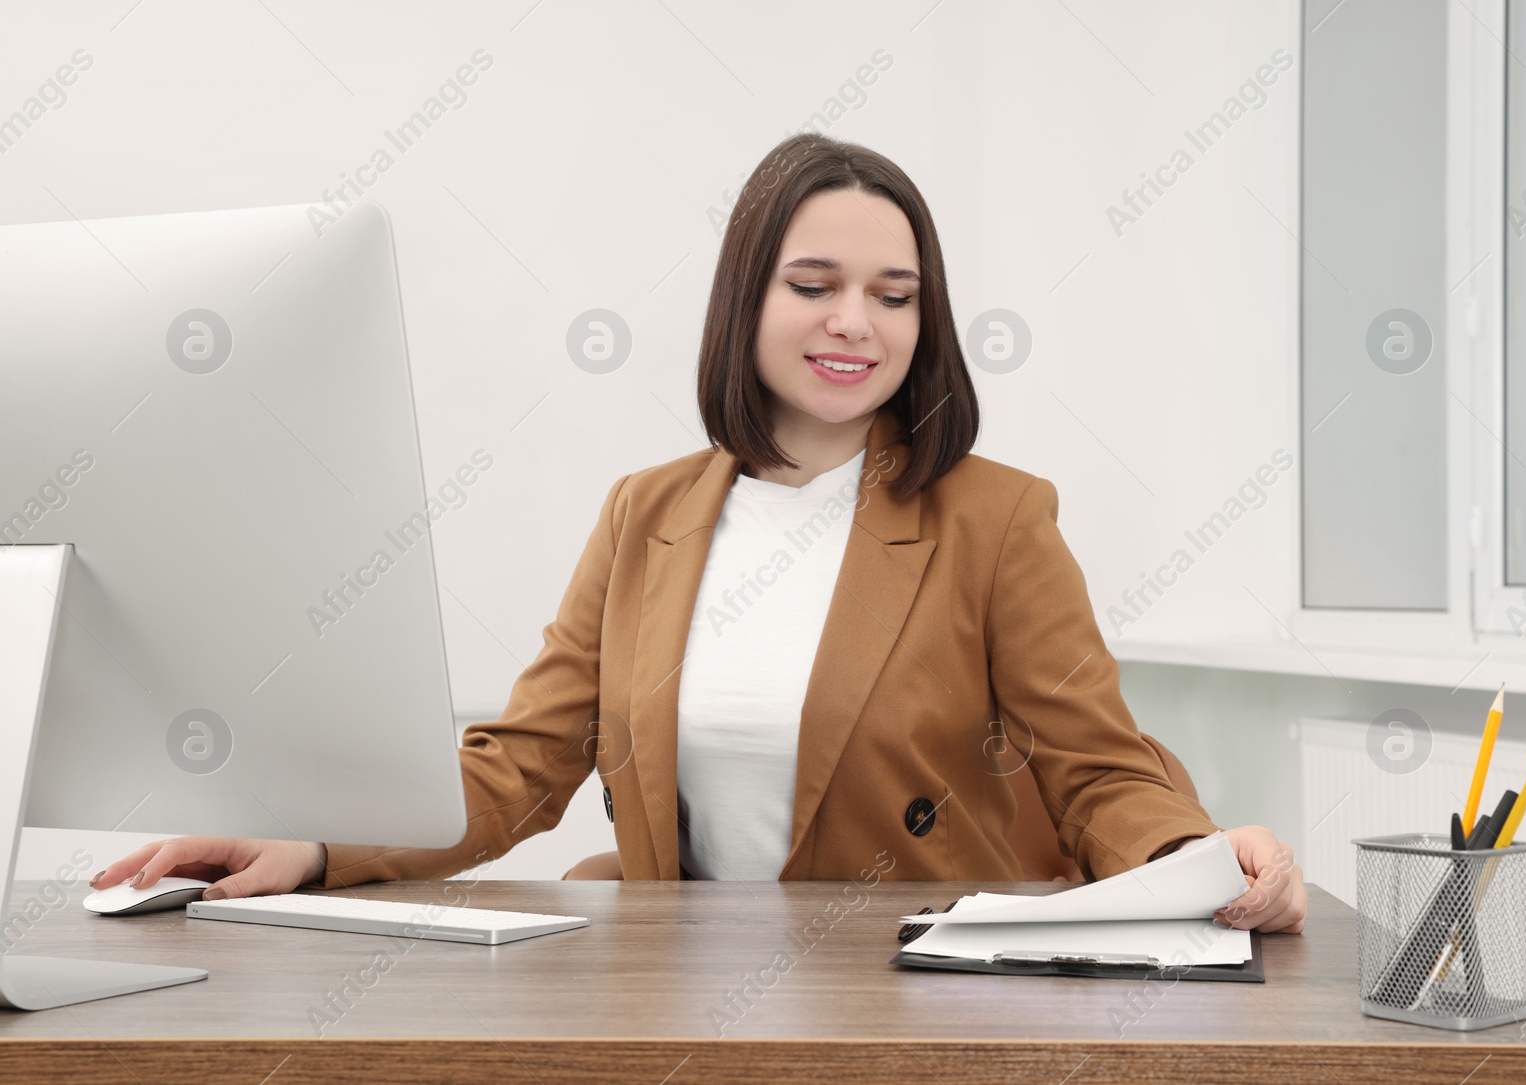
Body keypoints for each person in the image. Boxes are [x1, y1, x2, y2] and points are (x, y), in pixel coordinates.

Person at [91, 134, 1308, 934]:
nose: (856, 323)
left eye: (895, 296)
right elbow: (517, 767)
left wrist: (1203, 860)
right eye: (813, 283)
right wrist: (307, 839)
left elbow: (1093, 765)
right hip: (677, 989)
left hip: (919, 984)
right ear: (748, 298)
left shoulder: (996, 517)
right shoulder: (648, 512)